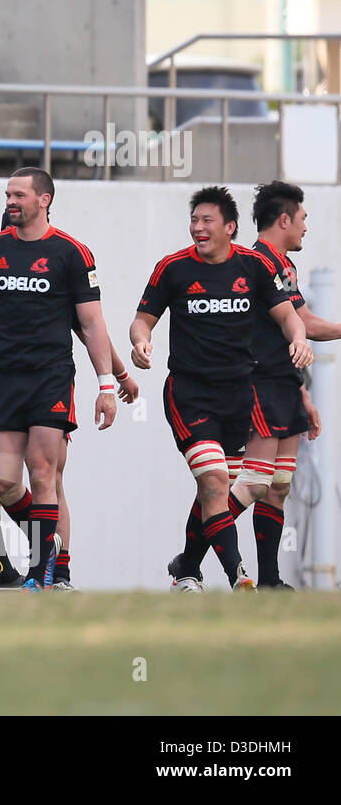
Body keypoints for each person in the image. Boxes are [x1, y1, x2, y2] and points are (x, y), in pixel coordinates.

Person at [130, 186, 310, 591]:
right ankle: (240, 579)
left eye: (207, 220)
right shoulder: (172, 268)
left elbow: (290, 318)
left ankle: (187, 568)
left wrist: (297, 337)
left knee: (224, 488)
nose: (198, 227)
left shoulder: (254, 267)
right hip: (189, 393)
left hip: (238, 396)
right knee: (214, 481)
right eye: (194, 220)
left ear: (230, 227)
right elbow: (142, 320)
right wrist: (140, 341)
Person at [0, 167, 118, 590]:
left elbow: (91, 324)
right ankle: (20, 559)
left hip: (51, 378)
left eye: (19, 194)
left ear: (43, 199)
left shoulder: (71, 253)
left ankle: (42, 575)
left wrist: (108, 383)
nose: (10, 201)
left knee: (44, 474)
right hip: (3, 383)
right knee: (1, 483)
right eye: (8, 194)